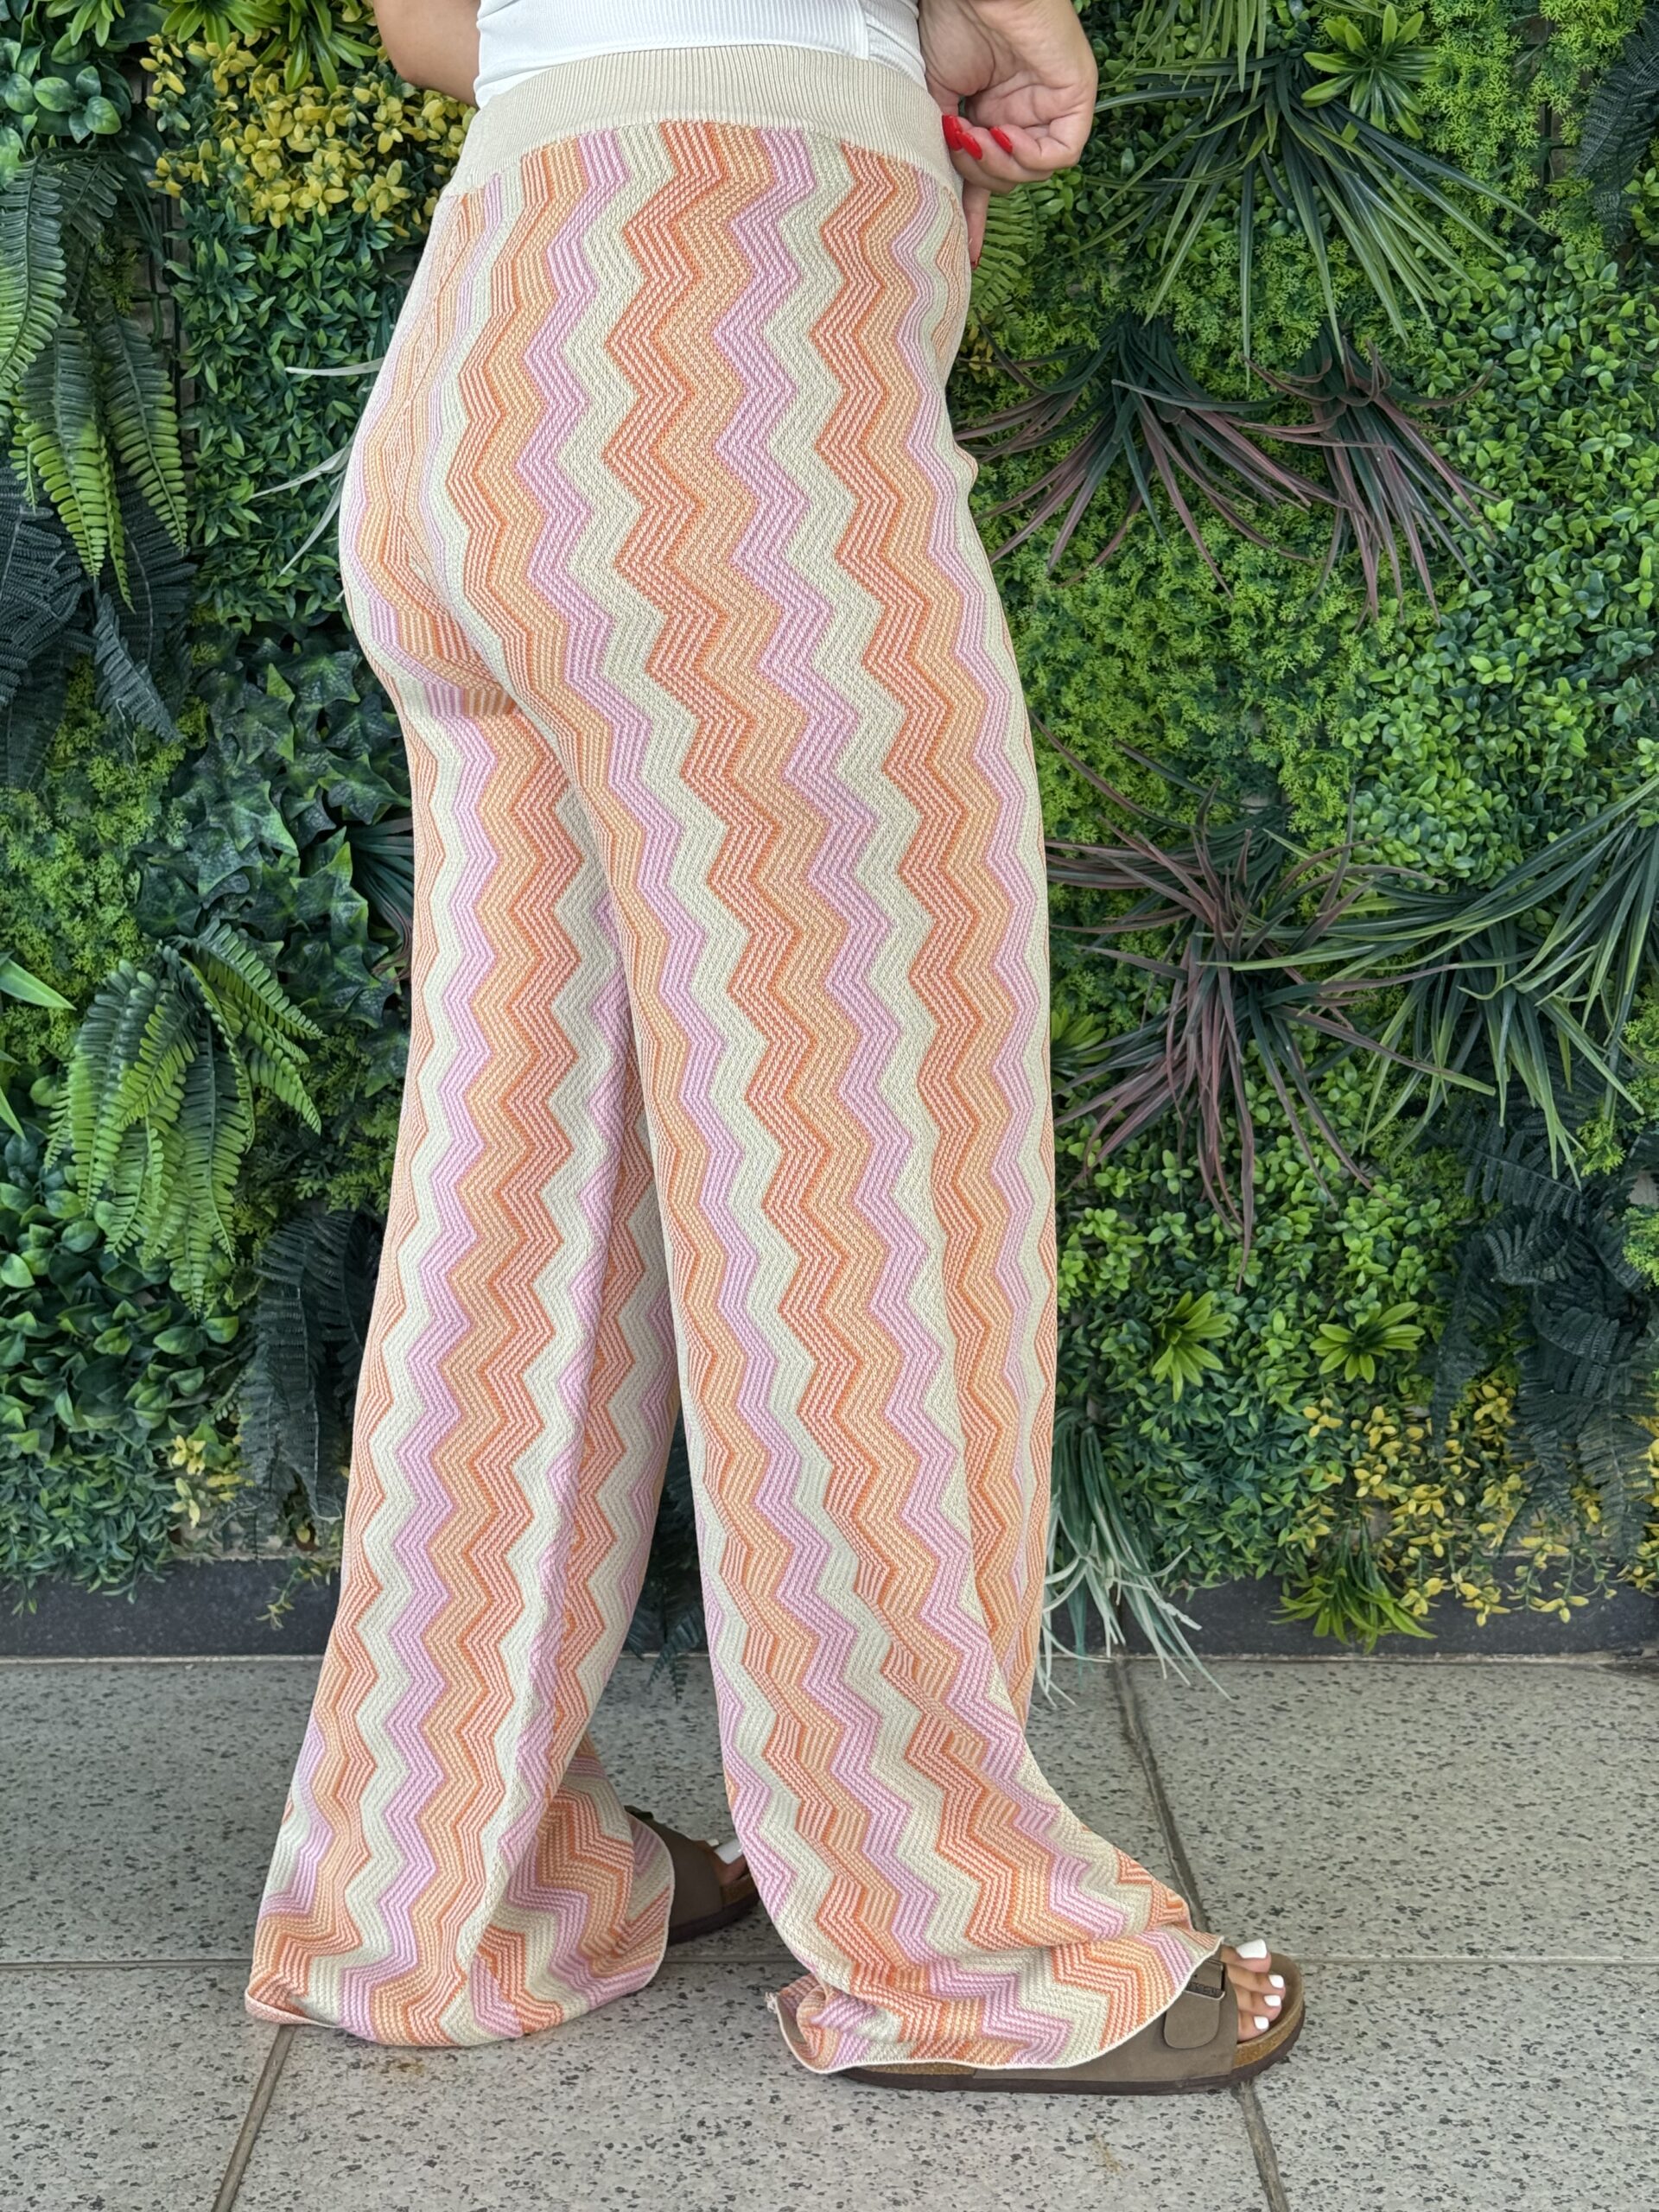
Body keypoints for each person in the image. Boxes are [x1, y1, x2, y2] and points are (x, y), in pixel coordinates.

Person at [245, 0, 1302, 2094]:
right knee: (871, 1184)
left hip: (481, 380)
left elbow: (433, 23)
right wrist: (1005, 25)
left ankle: (423, 1895)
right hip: (733, 378)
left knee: (521, 1188)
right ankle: (958, 1943)